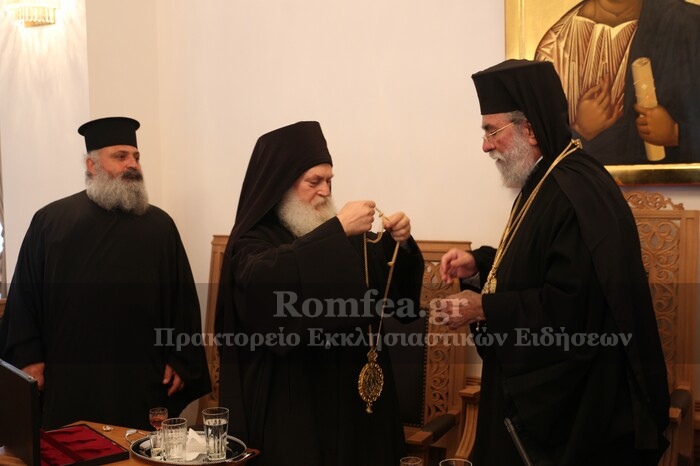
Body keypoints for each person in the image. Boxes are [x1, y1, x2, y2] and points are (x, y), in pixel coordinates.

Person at [439, 60, 669, 465]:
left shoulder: (573, 191)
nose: (485, 146)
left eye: (491, 131)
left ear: (529, 129)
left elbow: (571, 309)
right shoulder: (546, 178)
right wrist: (478, 265)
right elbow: (532, 265)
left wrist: (483, 307)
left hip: (572, 412)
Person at [214, 121, 424, 466]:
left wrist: (399, 244)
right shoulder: (253, 240)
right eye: (314, 182)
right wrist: (337, 229)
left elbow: (387, 295)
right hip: (294, 402)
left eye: (329, 181)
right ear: (281, 184)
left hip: (352, 400)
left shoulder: (335, 236)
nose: (325, 191)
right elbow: (263, 287)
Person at [0, 117, 211, 430]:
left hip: (142, 372)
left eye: (136, 157)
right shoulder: (50, 222)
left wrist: (180, 357)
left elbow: (182, 300)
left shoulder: (160, 226)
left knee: (139, 444)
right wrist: (30, 358)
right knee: (72, 444)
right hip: (69, 373)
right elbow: (25, 296)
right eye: (120, 156)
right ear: (92, 165)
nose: (133, 165)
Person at [535, 0, 700, 164]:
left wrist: (677, 134)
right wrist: (581, 130)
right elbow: (542, 154)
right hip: (588, 177)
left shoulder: (688, 24)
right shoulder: (556, 46)